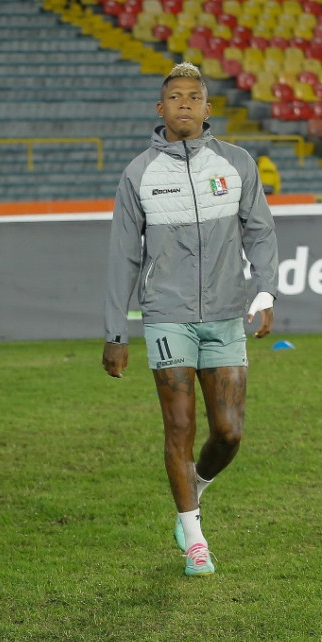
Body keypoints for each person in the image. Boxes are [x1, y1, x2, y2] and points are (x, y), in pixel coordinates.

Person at [102, 62, 278, 577]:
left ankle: (196, 483)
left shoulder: (239, 163)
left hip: (225, 314)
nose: (184, 103)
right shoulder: (139, 174)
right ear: (160, 109)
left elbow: (261, 232)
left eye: (193, 96)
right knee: (179, 425)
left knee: (229, 433)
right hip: (166, 316)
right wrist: (117, 331)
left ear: (207, 107)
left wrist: (265, 292)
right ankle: (194, 536)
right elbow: (122, 259)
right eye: (174, 96)